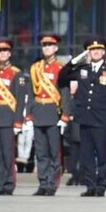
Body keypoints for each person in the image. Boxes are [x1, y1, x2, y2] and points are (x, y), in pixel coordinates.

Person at [59, 37, 106, 197]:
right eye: (93, 50)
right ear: (88, 52)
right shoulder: (83, 69)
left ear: (104, 51)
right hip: (85, 118)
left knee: (101, 155)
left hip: (101, 119)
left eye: (99, 49)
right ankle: (90, 185)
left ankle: (101, 186)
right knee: (86, 155)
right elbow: (62, 78)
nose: (96, 52)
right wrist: (74, 62)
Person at [27, 33, 69, 196]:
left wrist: (65, 114)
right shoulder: (35, 68)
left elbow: (65, 93)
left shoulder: (61, 68)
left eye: (50, 45)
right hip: (38, 112)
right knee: (41, 152)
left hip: (53, 113)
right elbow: (31, 93)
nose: (46, 48)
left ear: (56, 48)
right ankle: (43, 183)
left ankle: (52, 184)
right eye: (44, 45)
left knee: (54, 152)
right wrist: (29, 115)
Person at [0, 38, 28, 195]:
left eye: (5, 50)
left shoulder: (16, 73)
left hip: (8, 118)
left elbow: (20, 100)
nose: (2, 53)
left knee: (7, 154)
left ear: (10, 53)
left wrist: (18, 122)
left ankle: (8, 184)